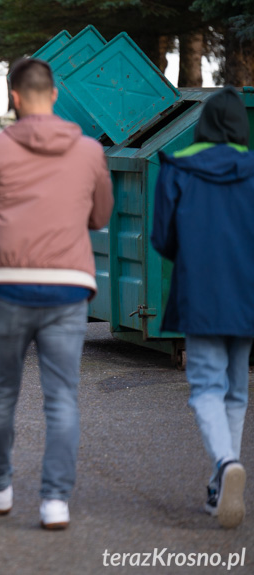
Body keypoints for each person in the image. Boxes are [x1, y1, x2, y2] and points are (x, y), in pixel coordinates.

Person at [0, 58, 113, 530]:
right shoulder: (87, 151)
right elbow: (101, 215)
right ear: (55, 95)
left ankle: (0, 487)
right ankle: (55, 501)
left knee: (2, 392)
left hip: (8, 284)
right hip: (68, 287)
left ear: (15, 97)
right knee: (62, 397)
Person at [150, 86, 254, 529]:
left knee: (206, 387)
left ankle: (227, 464)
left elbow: (162, 238)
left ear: (205, 124)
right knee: (236, 388)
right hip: (249, 294)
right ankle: (219, 484)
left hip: (202, 292)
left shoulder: (179, 168)